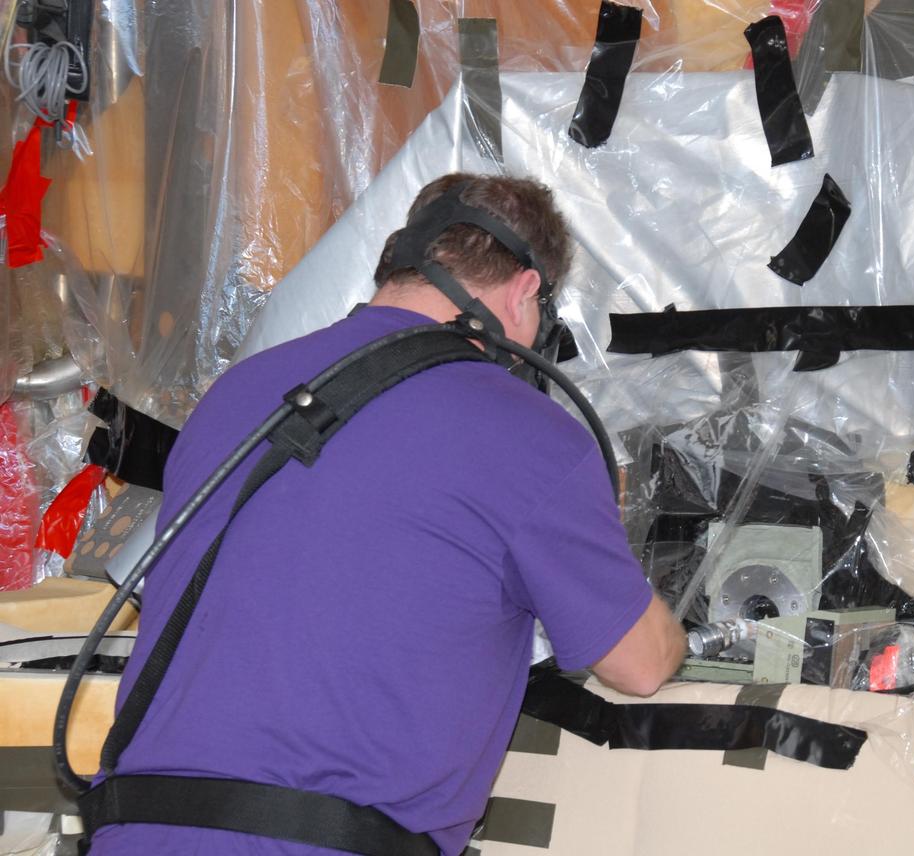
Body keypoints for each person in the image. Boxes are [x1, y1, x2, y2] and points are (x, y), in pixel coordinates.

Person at [89, 173, 687, 855]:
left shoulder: (238, 391)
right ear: (526, 292)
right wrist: (674, 633)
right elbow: (636, 666)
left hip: (133, 832)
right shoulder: (527, 430)